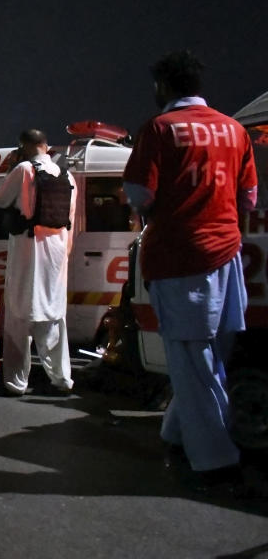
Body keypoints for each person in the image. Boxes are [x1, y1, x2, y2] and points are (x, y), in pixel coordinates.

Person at [123, 50, 257, 485]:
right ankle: (175, 432)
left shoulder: (160, 129)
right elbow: (249, 199)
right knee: (212, 354)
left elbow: (139, 193)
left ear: (162, 86)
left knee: (192, 359)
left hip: (180, 258)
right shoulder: (236, 130)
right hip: (228, 255)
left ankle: (216, 458)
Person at [0, 128, 77, 396]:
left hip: (29, 256)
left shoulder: (23, 170)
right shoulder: (67, 176)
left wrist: (10, 167)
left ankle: (16, 383)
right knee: (53, 320)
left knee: (18, 319)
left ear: (24, 147)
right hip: (56, 259)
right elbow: (71, 223)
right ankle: (61, 380)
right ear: (46, 145)